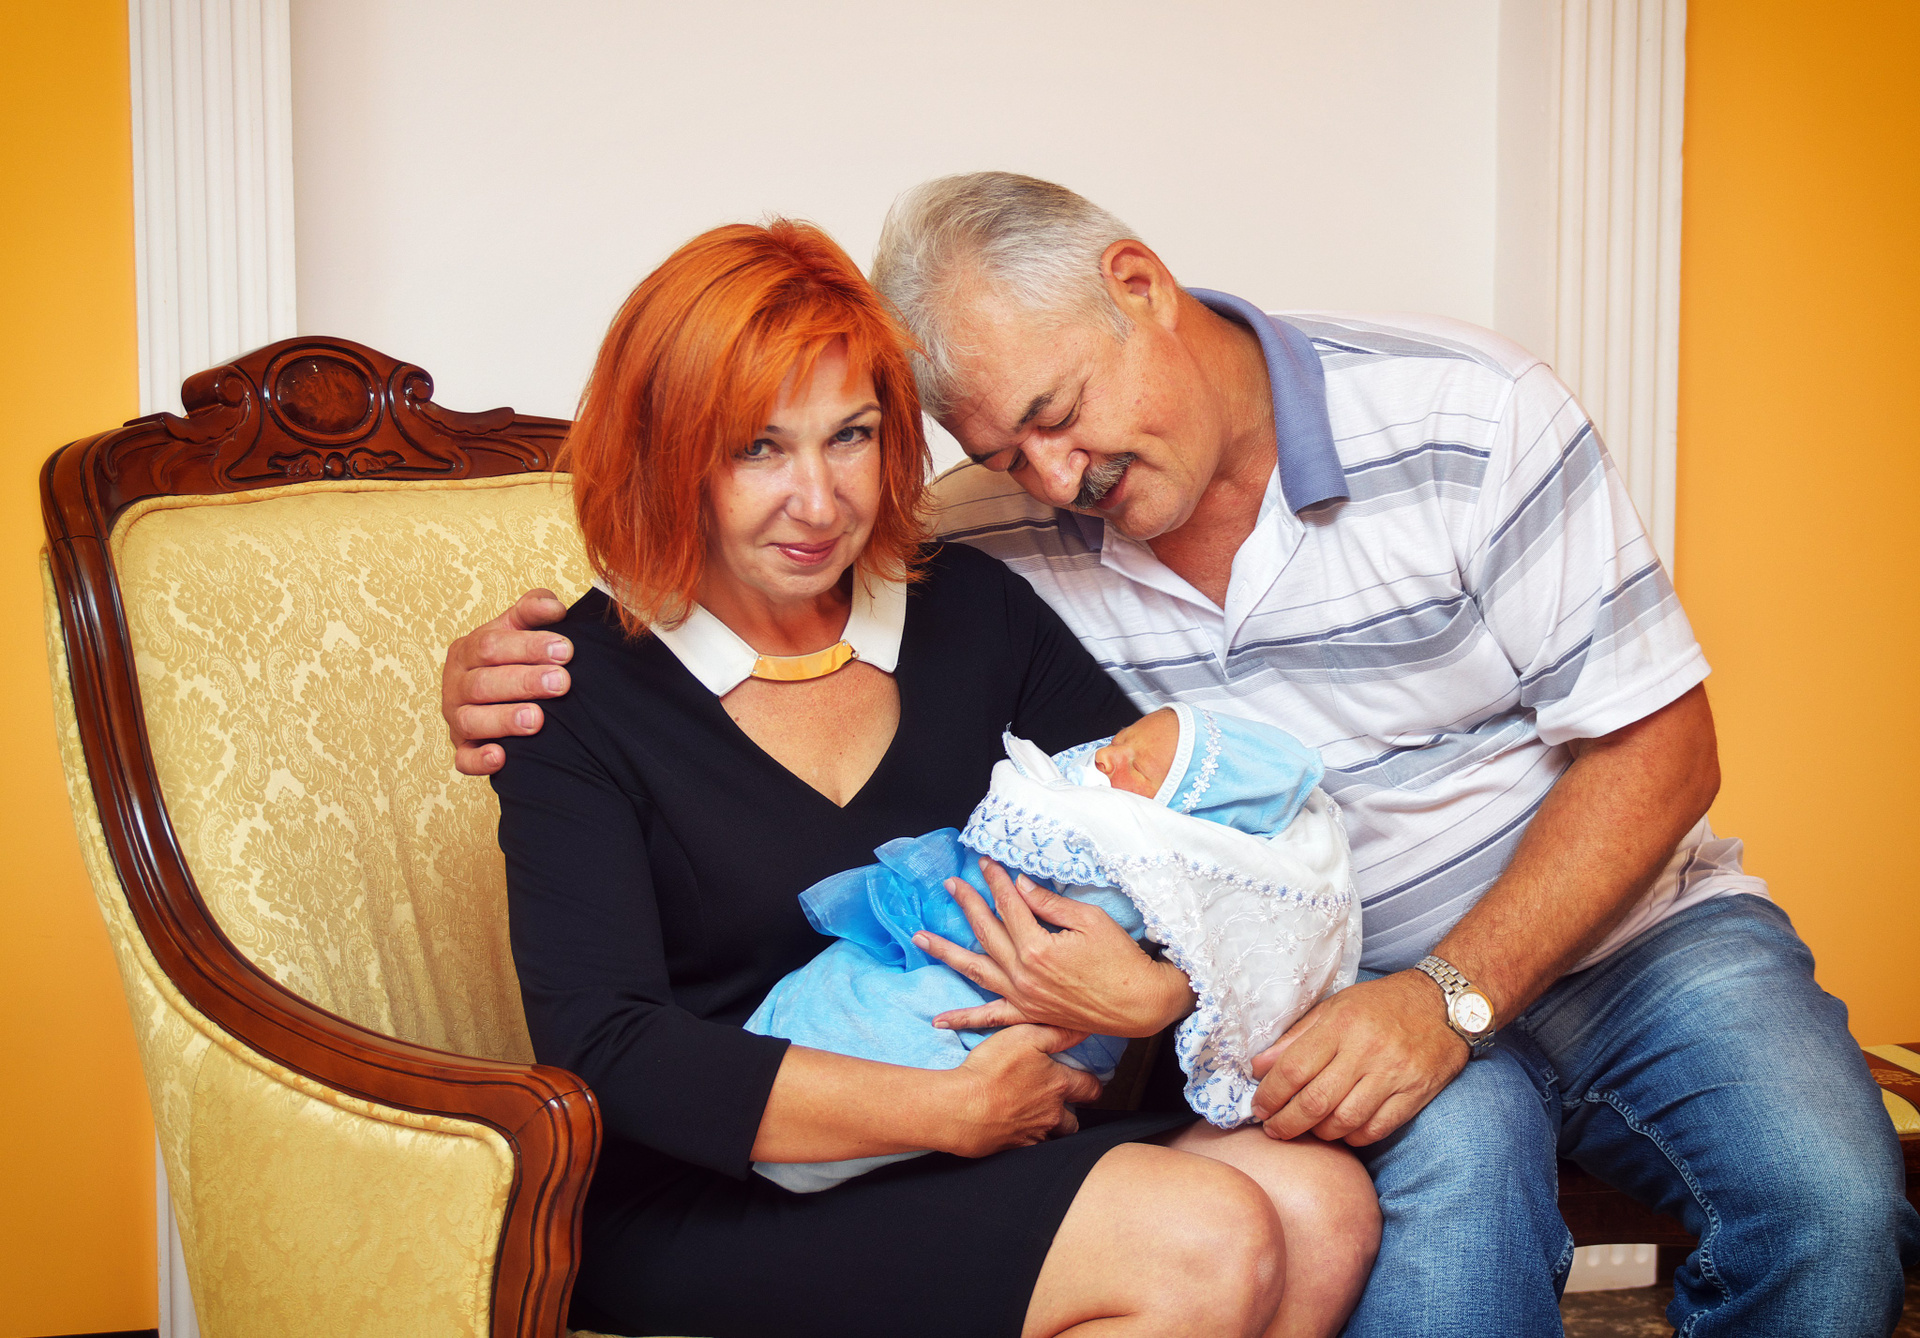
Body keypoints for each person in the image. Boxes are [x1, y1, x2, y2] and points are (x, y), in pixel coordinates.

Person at [447, 175, 1918, 1336]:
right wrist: (475, 678)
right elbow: (613, 1011)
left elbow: (1650, 751)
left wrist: (1252, 994)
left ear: (1139, 289)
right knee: (1348, 1203)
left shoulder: (1458, 421)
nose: (1052, 478)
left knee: (1815, 1200)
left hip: (1600, 942)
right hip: (1238, 1017)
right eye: (999, 451)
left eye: (852, 439)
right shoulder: (966, 546)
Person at [488, 217, 1379, 1338]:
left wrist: (1159, 994)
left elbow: (1160, 842)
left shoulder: (972, 610)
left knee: (1322, 1205)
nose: (819, 501)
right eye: (758, 449)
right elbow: (606, 1046)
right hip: (718, 1188)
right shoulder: (566, 693)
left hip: (993, 1131)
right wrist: (946, 1110)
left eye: (850, 436)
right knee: (1203, 1236)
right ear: (666, 454)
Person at [747, 703, 1358, 1192]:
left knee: (911, 1025)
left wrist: (1158, 991)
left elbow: (1131, 943)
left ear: (1187, 815)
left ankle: (824, 1126)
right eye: (1122, 737)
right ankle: (789, 1086)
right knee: (840, 981)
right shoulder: (1072, 796)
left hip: (1017, 1006)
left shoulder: (1147, 870)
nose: (1109, 754)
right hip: (937, 951)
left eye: (1141, 768)